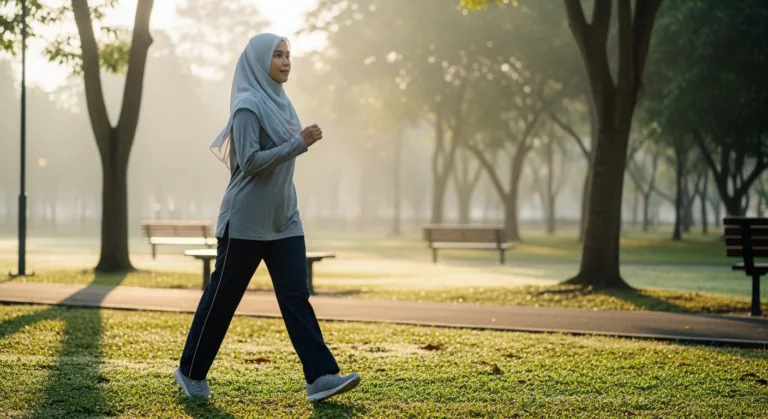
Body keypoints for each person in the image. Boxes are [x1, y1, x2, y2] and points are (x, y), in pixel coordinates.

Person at [173, 33, 361, 403]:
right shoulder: (247, 106)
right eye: (277, 55)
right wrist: (299, 143)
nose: (286, 61)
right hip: (245, 222)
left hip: (285, 220)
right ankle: (190, 372)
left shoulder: (284, 103)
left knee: (296, 297)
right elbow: (250, 160)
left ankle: (320, 376)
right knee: (222, 299)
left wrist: (297, 145)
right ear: (260, 62)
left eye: (288, 55)